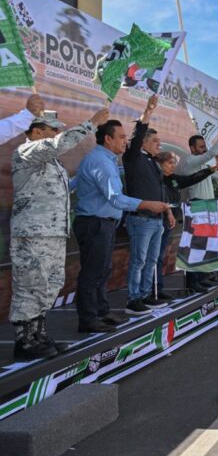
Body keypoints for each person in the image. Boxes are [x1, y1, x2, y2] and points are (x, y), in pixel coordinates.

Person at [9, 108, 109, 359]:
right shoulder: (26, 151)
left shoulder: (52, 161)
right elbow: (58, 144)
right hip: (33, 232)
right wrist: (91, 123)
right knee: (29, 285)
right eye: (53, 129)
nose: (57, 133)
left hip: (52, 233)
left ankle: (38, 336)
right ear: (36, 132)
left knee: (48, 284)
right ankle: (24, 342)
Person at [74, 119, 171, 332]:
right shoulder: (99, 161)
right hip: (94, 223)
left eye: (126, 137)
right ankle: (88, 319)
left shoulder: (105, 160)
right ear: (107, 139)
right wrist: (147, 204)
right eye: (121, 137)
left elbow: (76, 183)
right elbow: (115, 199)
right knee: (93, 272)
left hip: (104, 223)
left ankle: (101, 311)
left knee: (103, 269)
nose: (125, 141)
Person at [123, 96, 175, 314]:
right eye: (155, 142)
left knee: (152, 260)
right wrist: (148, 111)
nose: (159, 145)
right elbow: (136, 137)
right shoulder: (133, 157)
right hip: (140, 220)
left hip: (156, 221)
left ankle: (145, 295)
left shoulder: (153, 163)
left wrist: (167, 211)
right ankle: (133, 300)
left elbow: (159, 191)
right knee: (139, 260)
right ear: (143, 142)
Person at [176, 121, 218, 290]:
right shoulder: (190, 161)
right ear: (192, 148)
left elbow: (212, 162)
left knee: (206, 245)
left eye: (204, 146)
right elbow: (211, 153)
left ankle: (202, 276)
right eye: (201, 147)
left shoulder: (202, 163)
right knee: (196, 246)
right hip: (197, 204)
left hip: (208, 204)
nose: (204, 149)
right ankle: (193, 282)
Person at [156, 151, 218, 297]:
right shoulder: (157, 179)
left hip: (169, 221)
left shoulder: (173, 178)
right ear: (160, 164)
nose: (173, 166)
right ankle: (155, 291)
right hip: (158, 218)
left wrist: (210, 170)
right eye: (169, 163)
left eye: (174, 163)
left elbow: (191, 179)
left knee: (160, 255)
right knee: (155, 257)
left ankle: (197, 279)